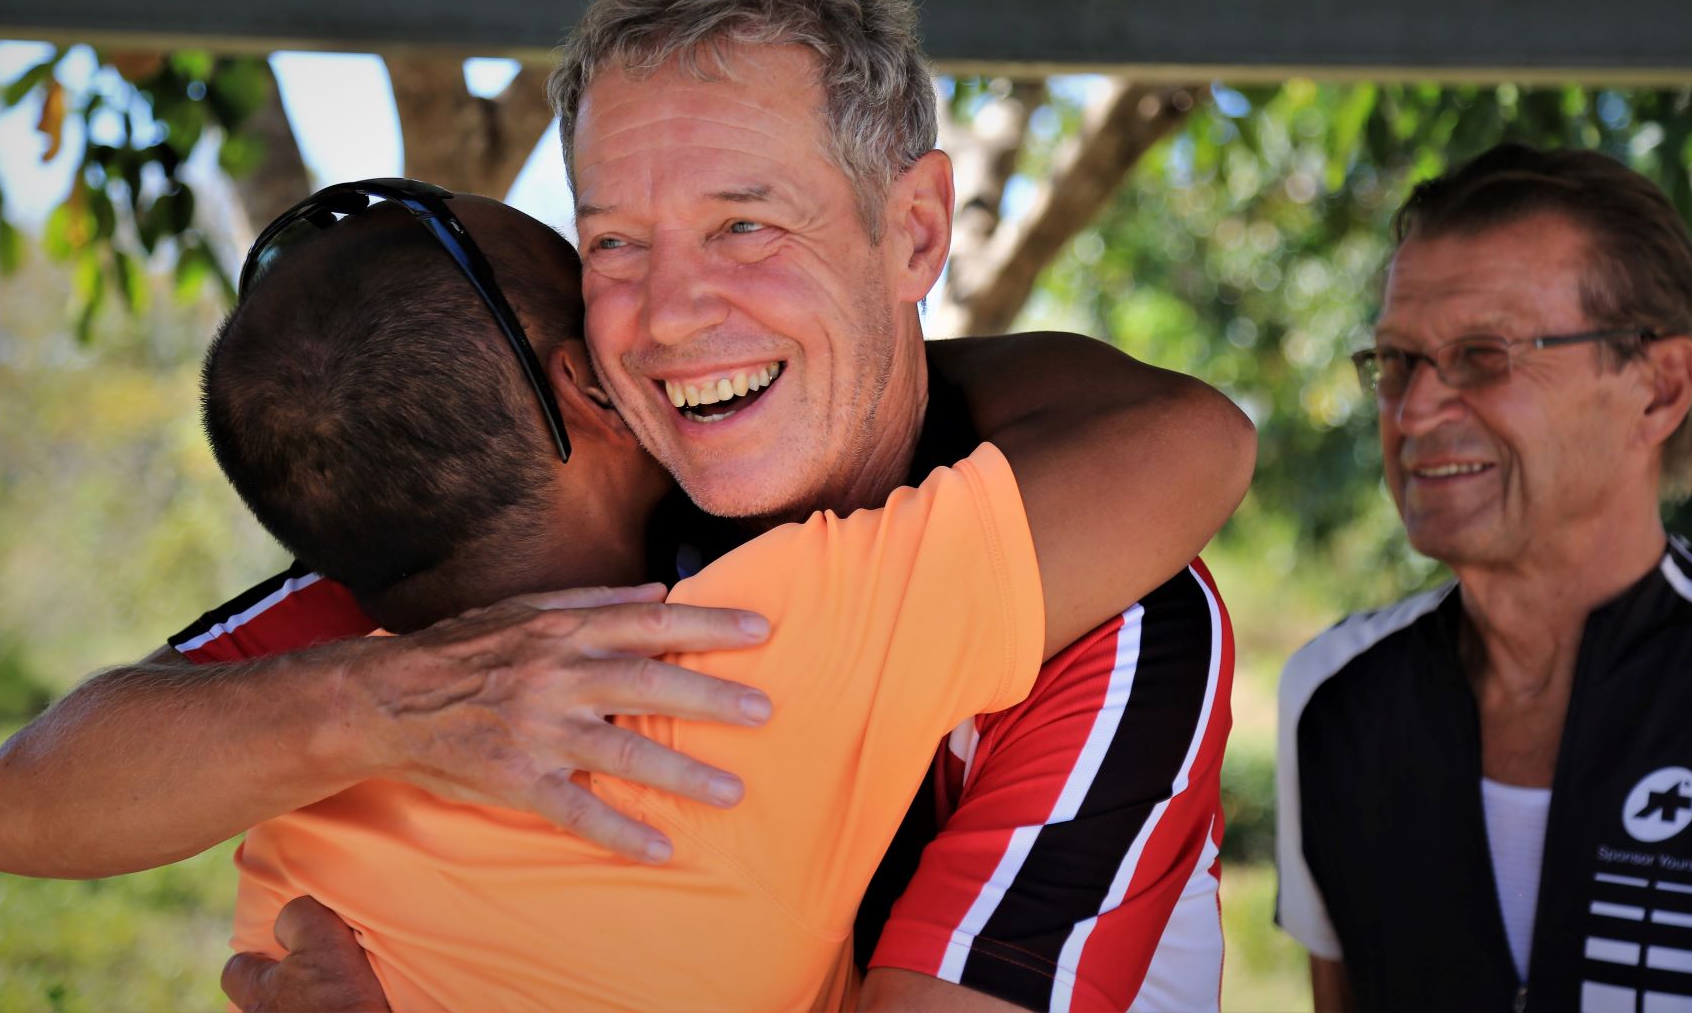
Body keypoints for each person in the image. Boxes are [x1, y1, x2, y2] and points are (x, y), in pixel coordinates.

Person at [0, 0, 1252, 1011]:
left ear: (914, 230)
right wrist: (384, 702)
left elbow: (1189, 438)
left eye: (744, 224)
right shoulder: (504, 569)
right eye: (614, 245)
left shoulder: (1111, 602)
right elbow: (31, 801)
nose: (670, 316)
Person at [196, 181, 1227, 1011]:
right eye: (596, 267)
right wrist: (812, 357)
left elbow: (83, 765)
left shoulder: (280, 776)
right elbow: (1191, 439)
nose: (659, 316)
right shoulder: (746, 650)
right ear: (593, 389)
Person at [1275, 144, 1692, 1013]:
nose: (1413, 412)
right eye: (1395, 360)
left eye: (1483, 355)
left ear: (1657, 389)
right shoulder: (1335, 698)